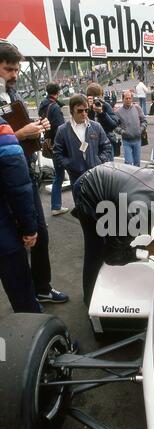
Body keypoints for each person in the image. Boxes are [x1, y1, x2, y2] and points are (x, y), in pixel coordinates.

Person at [0, 39, 68, 304]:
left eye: (17, 70)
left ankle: (41, 287)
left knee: (39, 232)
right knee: (15, 249)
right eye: (8, 69)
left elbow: (18, 129)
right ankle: (28, 303)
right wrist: (18, 134)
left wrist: (36, 127)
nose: (15, 75)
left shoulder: (13, 95)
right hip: (6, 181)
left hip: (25, 174)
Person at [73, 162, 154, 306]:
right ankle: (90, 300)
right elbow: (112, 256)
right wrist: (147, 250)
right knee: (96, 249)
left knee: (115, 235)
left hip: (109, 173)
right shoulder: (133, 220)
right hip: (86, 189)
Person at [0, 116, 41, 313]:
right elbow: (18, 185)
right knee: (22, 293)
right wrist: (29, 227)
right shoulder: (1, 128)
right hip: (4, 232)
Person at [53, 94, 111, 187]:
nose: (84, 113)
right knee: (80, 201)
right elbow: (57, 153)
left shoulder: (96, 126)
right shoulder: (62, 130)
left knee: (98, 200)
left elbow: (107, 146)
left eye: (86, 110)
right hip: (76, 177)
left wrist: (99, 160)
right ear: (72, 111)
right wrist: (70, 164)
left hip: (96, 174)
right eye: (80, 111)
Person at [38, 82, 68, 216]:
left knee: (59, 175)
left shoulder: (43, 105)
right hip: (59, 145)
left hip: (50, 142)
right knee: (69, 173)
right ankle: (57, 206)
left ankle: (56, 205)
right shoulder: (54, 107)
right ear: (58, 92)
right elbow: (60, 128)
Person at [86, 83, 118, 160]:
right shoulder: (85, 107)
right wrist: (88, 110)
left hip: (105, 144)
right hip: (91, 144)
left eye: (98, 97)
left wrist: (102, 113)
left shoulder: (105, 105)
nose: (96, 101)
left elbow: (113, 125)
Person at [115, 90, 147, 167]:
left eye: (129, 98)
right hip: (126, 141)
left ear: (132, 99)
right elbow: (115, 126)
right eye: (126, 98)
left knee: (137, 163)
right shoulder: (118, 112)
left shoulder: (137, 108)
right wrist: (122, 132)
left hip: (137, 140)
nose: (128, 100)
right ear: (123, 99)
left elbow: (144, 121)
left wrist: (141, 129)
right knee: (128, 163)